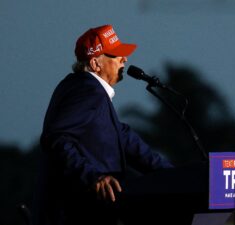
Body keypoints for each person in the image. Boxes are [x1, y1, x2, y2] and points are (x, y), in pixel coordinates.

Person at [32, 24, 174, 225]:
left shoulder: (84, 90)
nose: (124, 59)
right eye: (116, 55)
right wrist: (93, 177)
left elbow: (126, 140)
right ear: (95, 64)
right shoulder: (88, 91)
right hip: (75, 215)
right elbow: (56, 138)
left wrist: (178, 175)